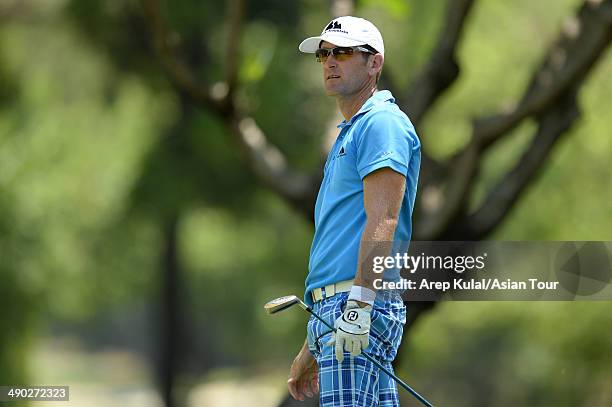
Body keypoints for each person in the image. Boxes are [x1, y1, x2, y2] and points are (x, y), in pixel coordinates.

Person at [287, 16, 421, 407]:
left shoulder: (381, 123)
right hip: (340, 310)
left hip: (358, 304)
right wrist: (312, 344)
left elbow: (384, 220)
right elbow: (340, 246)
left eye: (343, 52)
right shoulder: (352, 129)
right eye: (324, 54)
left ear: (374, 63)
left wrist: (359, 306)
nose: (330, 61)